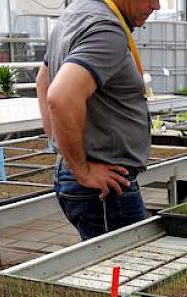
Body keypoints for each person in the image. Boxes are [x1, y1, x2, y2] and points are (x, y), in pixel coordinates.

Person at [35, 0, 159, 240]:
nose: (156, 6)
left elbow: (43, 79)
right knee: (122, 271)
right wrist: (83, 170)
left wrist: (59, 145)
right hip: (105, 187)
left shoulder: (76, 13)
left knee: (109, 268)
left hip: (87, 179)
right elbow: (60, 97)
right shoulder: (107, 29)